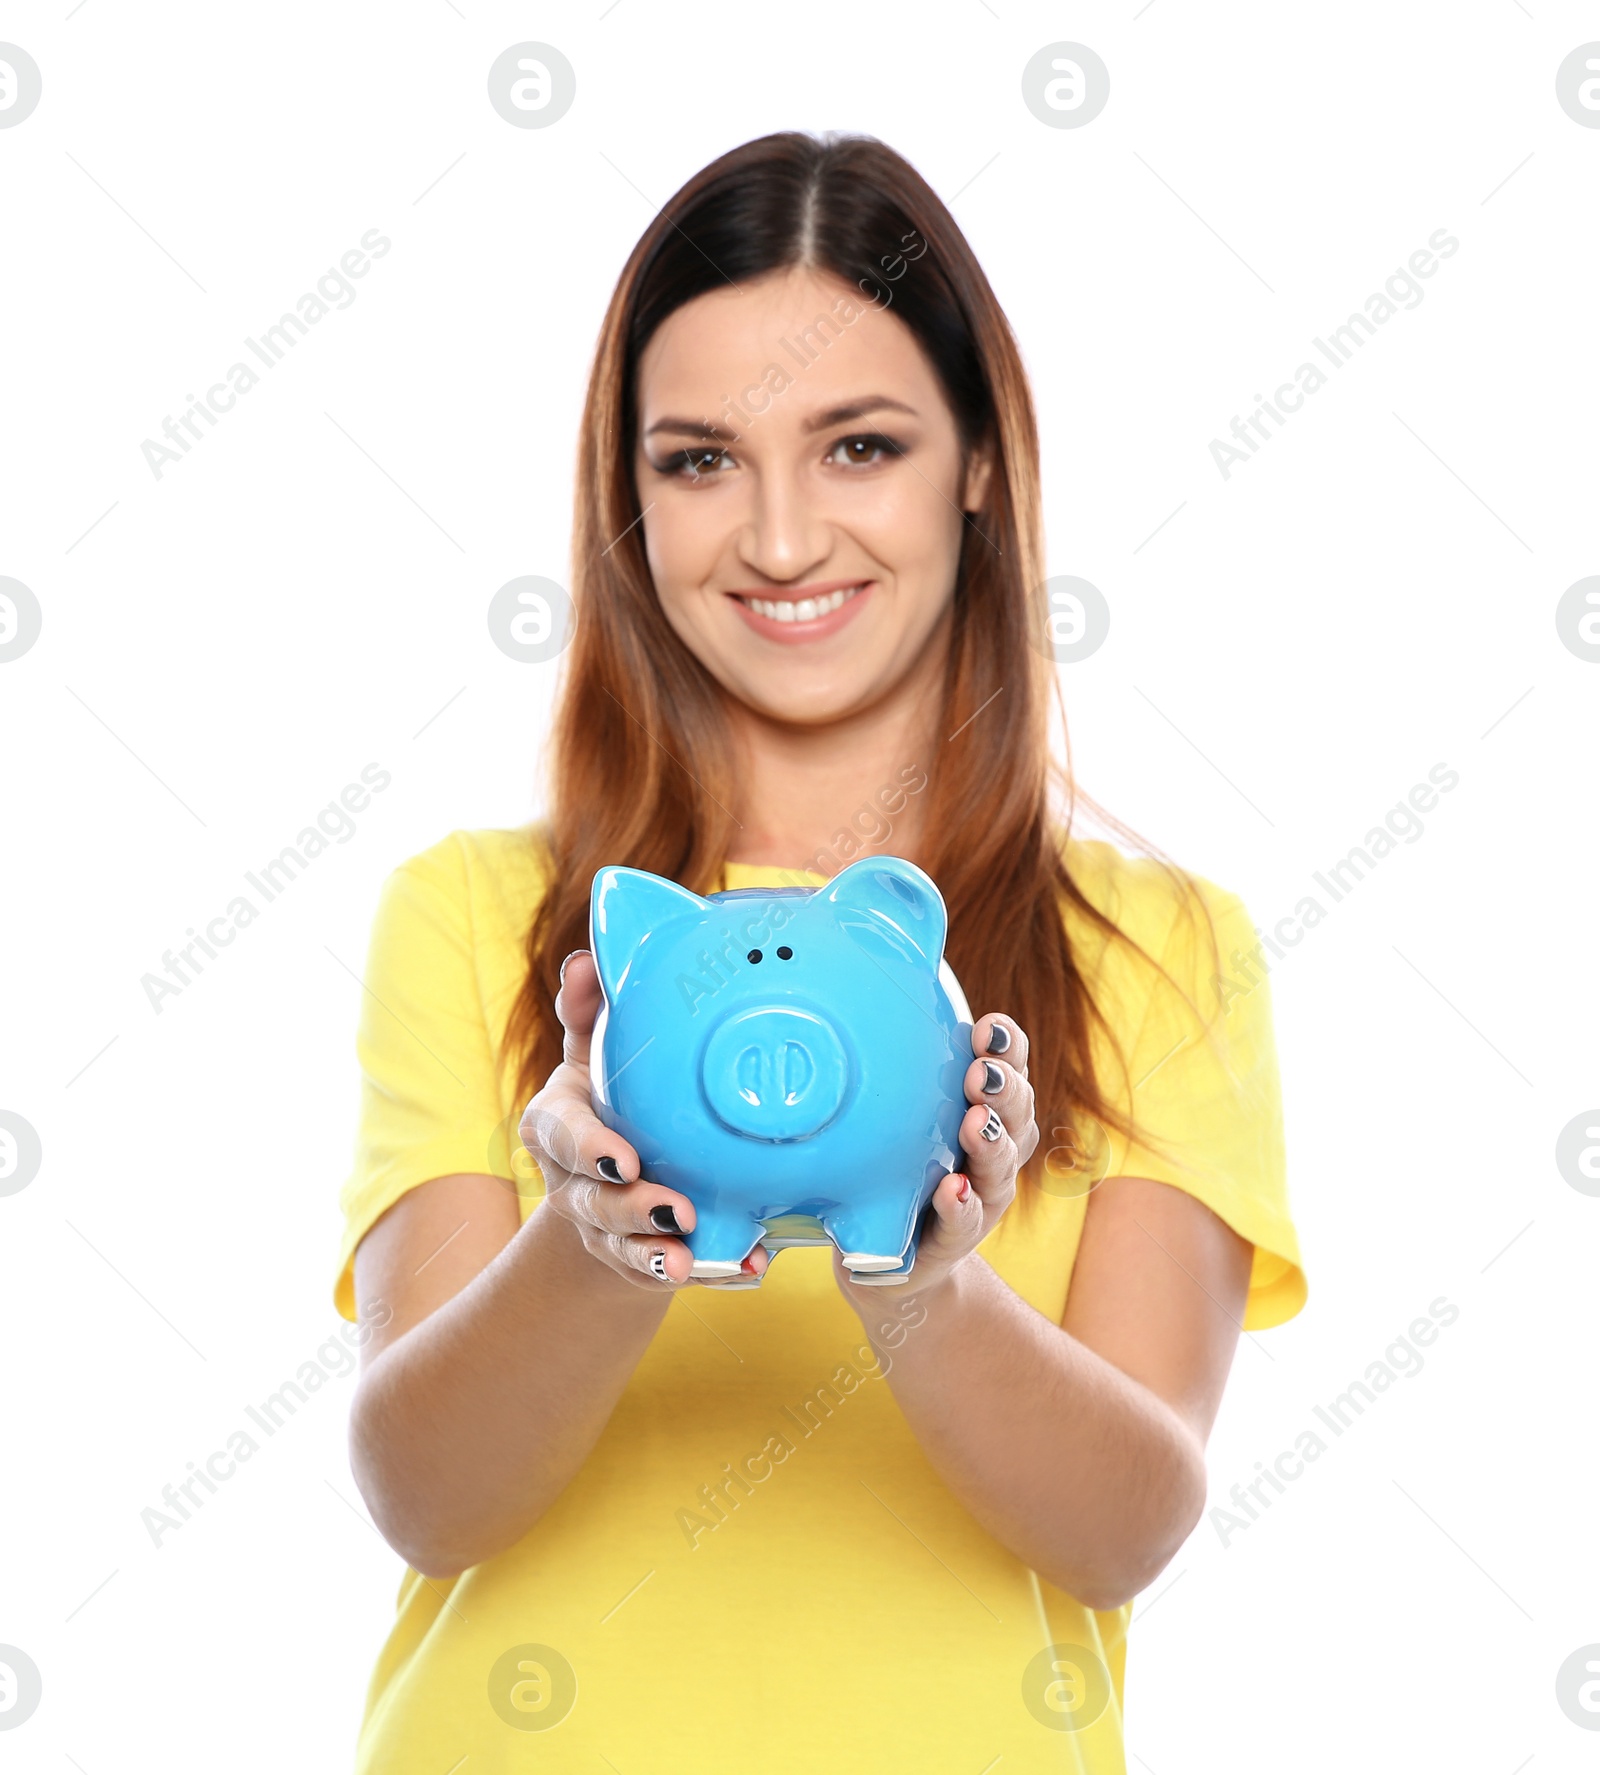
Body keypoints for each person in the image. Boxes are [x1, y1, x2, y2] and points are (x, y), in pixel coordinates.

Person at [333, 130, 1306, 1773]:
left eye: (858, 446)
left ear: (978, 461)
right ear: (626, 497)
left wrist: (923, 1277)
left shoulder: (1156, 951)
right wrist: (590, 1240)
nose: (782, 541)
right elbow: (430, 1501)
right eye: (701, 460)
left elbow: (1126, 1526)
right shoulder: (483, 918)